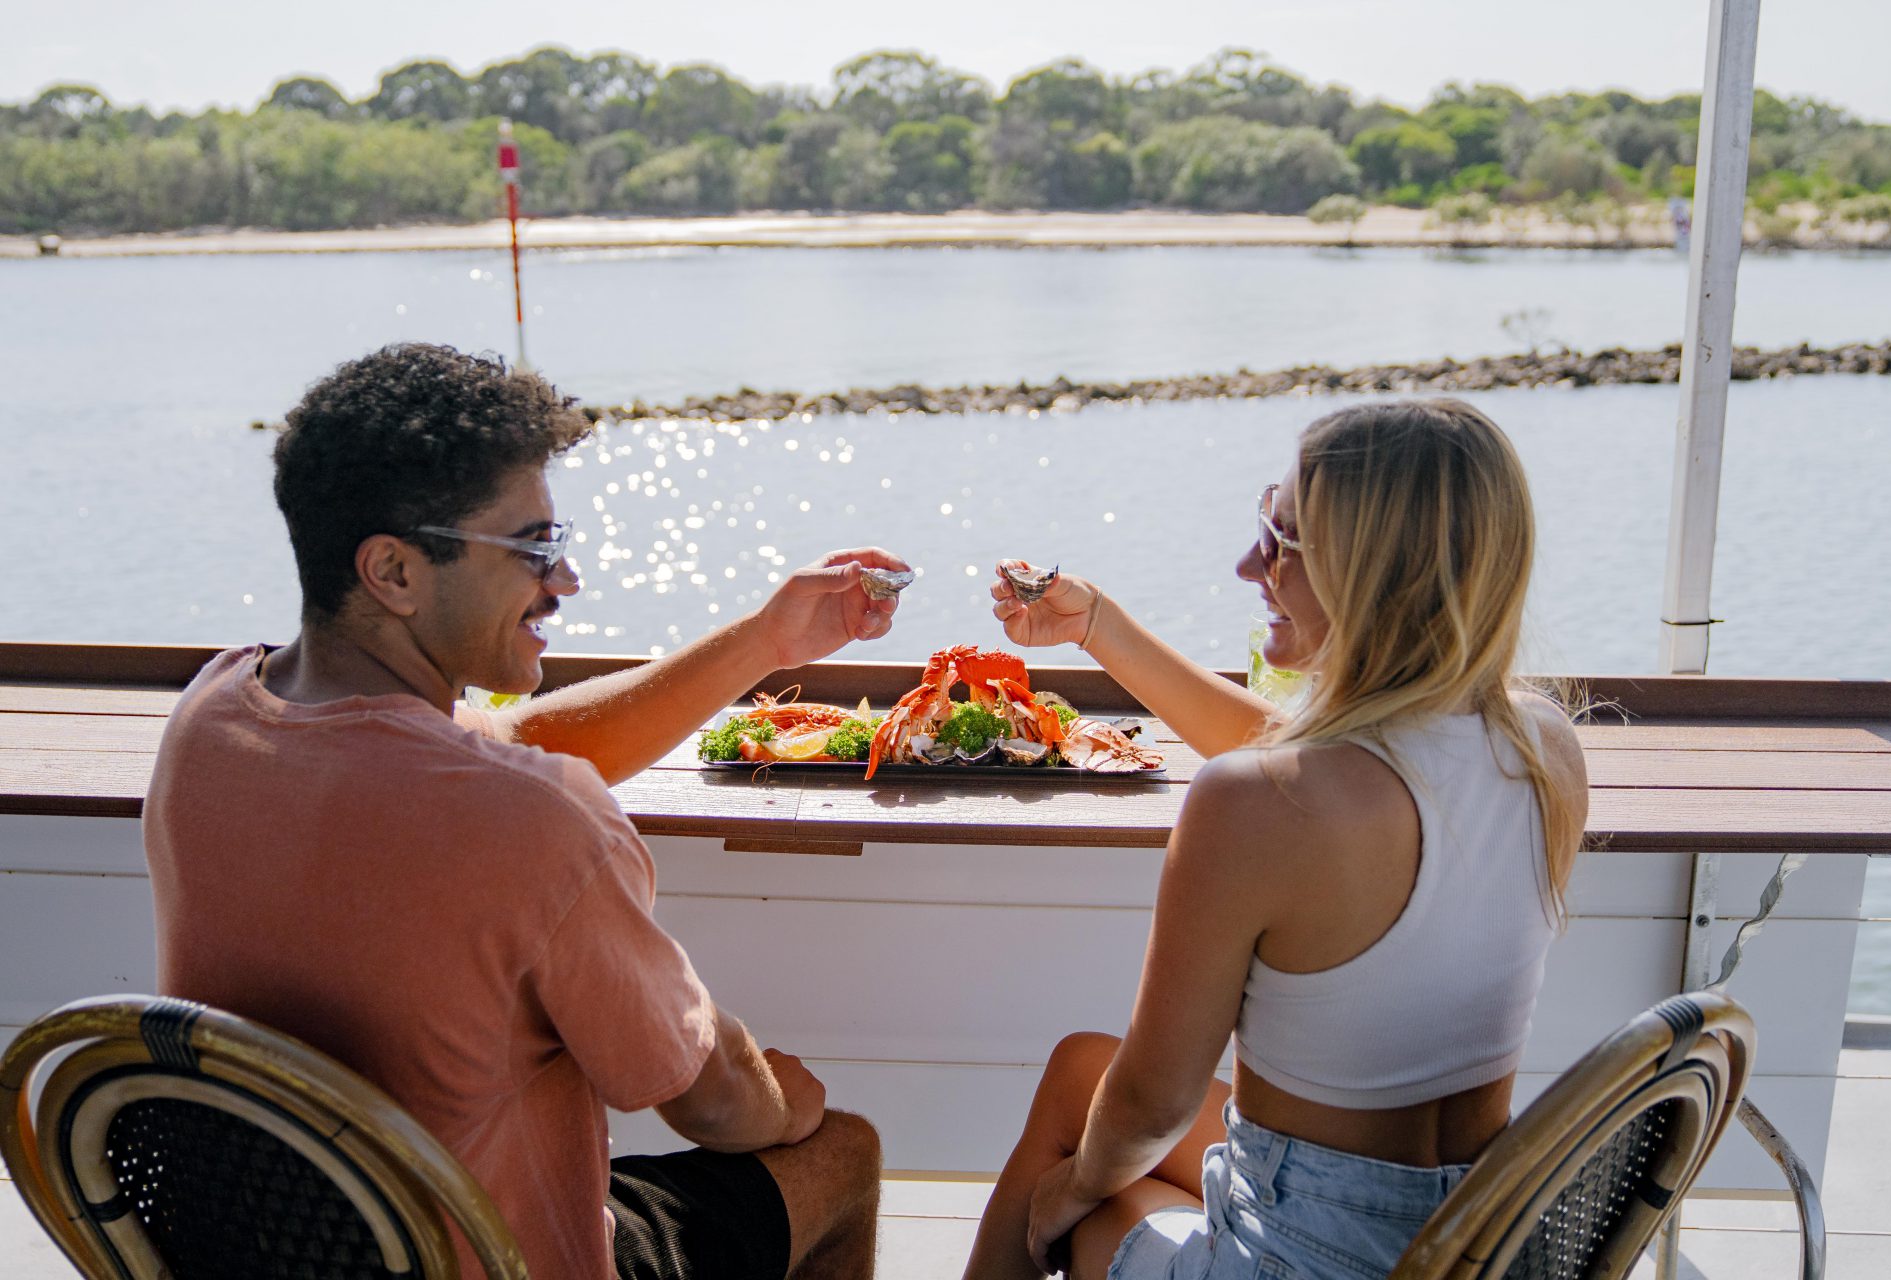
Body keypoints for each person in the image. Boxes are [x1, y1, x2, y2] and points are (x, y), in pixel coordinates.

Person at [144, 343, 906, 1280]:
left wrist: (767, 641)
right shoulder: (538, 826)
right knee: (840, 1157)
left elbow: (504, 750)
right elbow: (714, 1105)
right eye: (535, 549)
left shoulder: (213, 716)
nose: (566, 582)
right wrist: (789, 1103)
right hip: (488, 1261)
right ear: (393, 571)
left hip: (269, 1251)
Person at [963, 399, 1589, 1280]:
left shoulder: (1257, 808)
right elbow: (1312, 770)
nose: (1249, 563)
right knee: (1079, 1077)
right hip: (1482, 1236)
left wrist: (1064, 1197)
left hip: (1311, 1256)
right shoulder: (1542, 746)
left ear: (1372, 574)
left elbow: (1152, 1102)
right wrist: (1098, 625)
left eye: (1283, 540)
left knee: (1085, 1172)